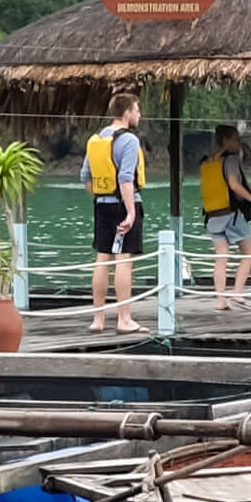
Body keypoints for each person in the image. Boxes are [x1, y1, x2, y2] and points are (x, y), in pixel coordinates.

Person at [82, 94, 149, 334]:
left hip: (102, 204)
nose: (139, 115)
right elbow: (126, 178)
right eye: (137, 110)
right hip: (123, 204)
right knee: (123, 259)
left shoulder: (97, 139)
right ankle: (124, 318)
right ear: (127, 112)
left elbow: (85, 177)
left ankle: (98, 319)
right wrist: (130, 212)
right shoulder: (129, 140)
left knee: (102, 257)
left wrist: (102, 197)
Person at [197, 121, 251, 294]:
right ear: (224, 141)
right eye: (235, 139)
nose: (239, 142)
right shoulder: (230, 159)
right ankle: (238, 293)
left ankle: (220, 299)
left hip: (212, 217)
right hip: (231, 214)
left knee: (221, 258)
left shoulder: (206, 162)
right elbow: (234, 185)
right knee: (247, 253)